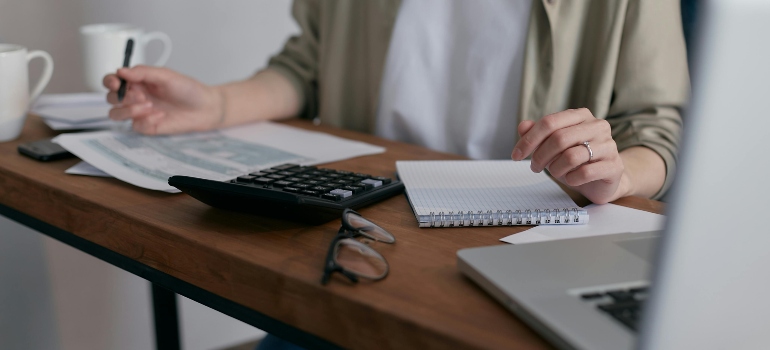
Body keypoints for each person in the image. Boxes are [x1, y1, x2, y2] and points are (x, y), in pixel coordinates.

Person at [103, 0, 687, 204]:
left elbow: (656, 131)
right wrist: (213, 104)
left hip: (521, 232)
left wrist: (616, 173)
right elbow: (309, 69)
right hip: (366, 220)